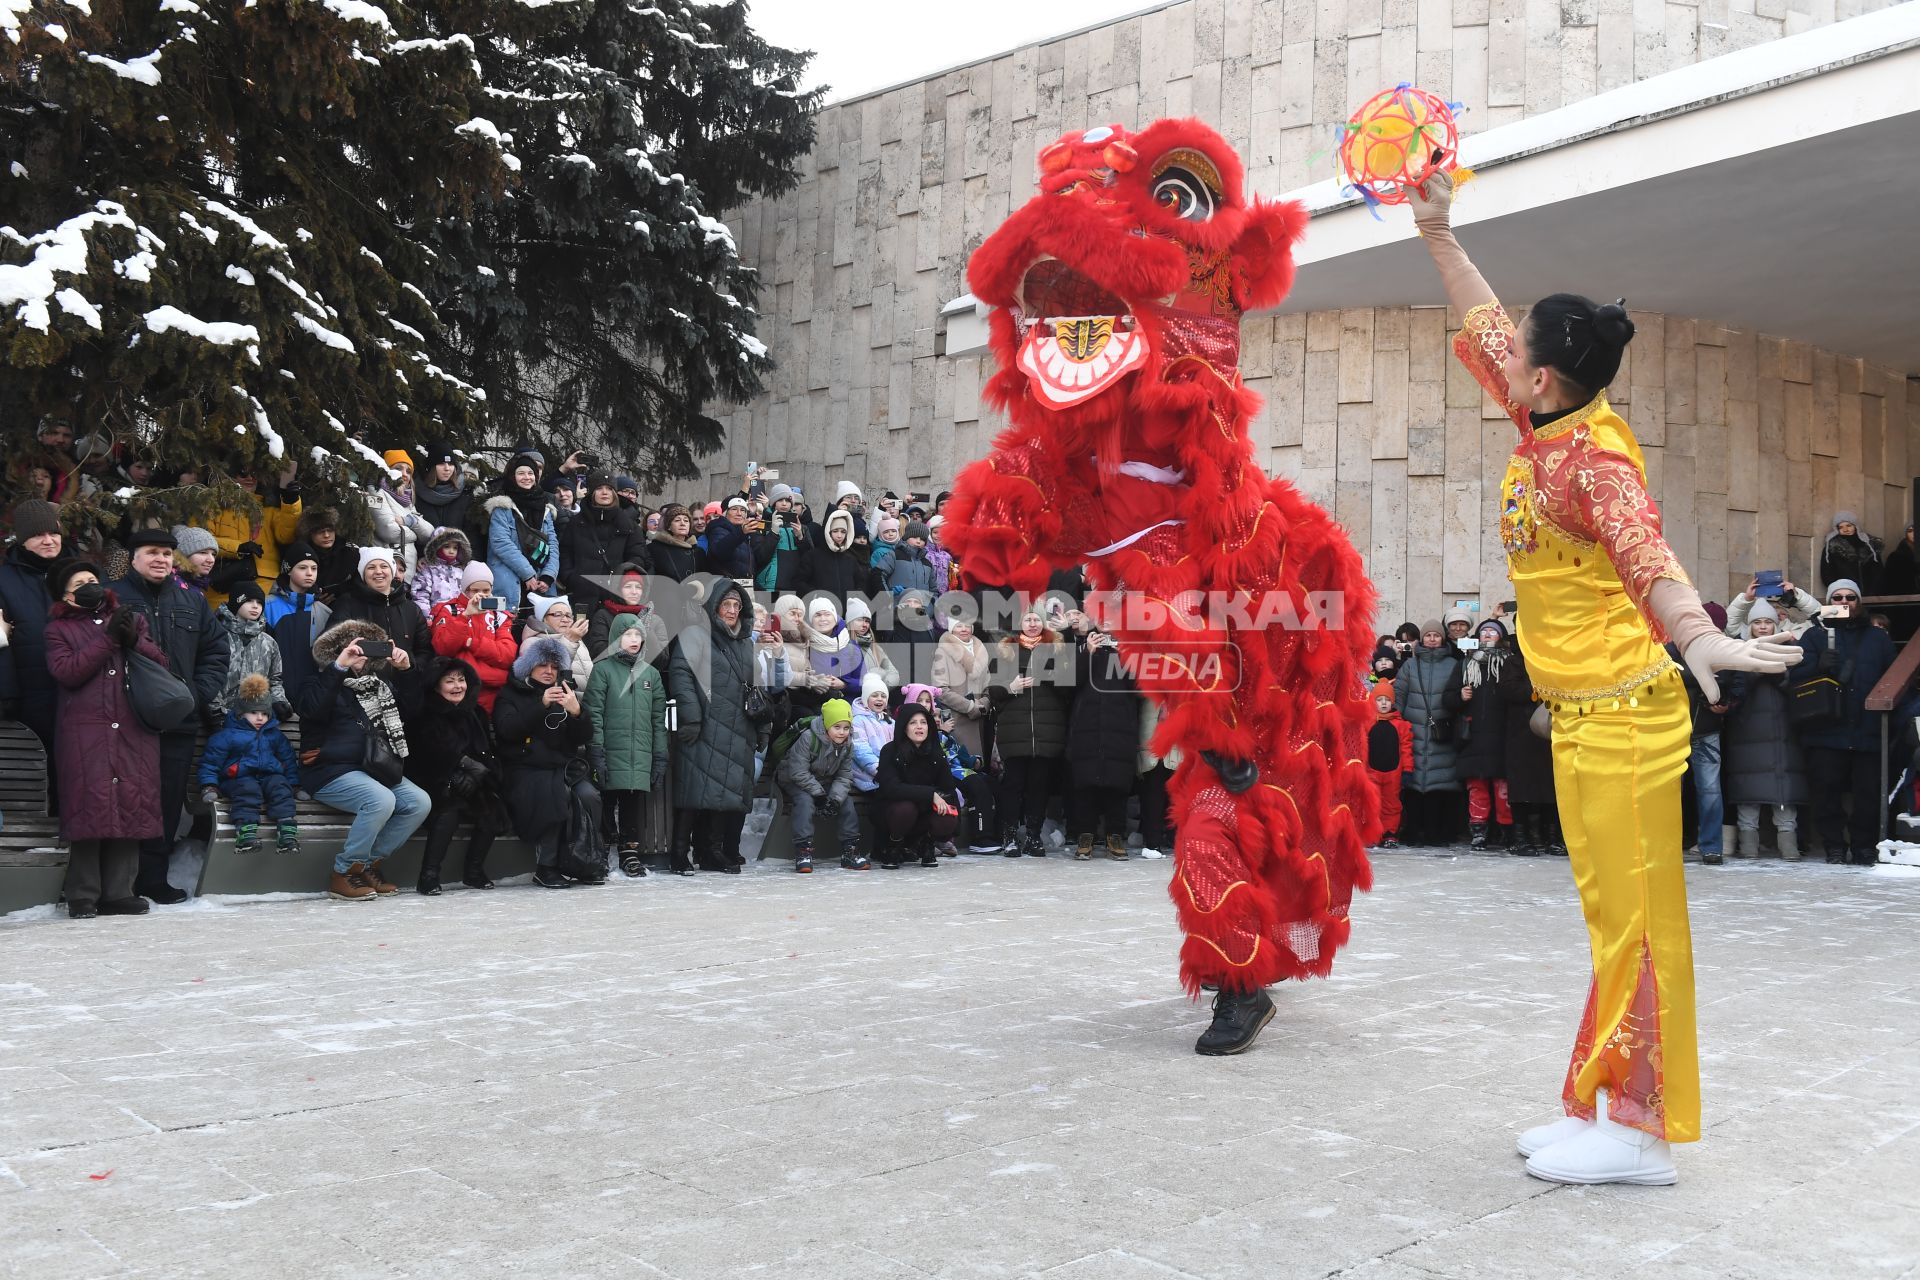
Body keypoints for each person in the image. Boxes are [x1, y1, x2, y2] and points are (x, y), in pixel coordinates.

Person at [1411, 169, 1798, 1186]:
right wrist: (1439, 232)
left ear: (1542, 382)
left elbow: (1644, 551)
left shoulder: (1592, 462)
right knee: (1606, 918)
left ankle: (1641, 1131)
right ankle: (1597, 1100)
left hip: (1628, 715)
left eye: (1518, 356)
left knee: (1640, 921)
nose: (1505, 357)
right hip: (1581, 715)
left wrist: (1693, 632)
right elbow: (1487, 320)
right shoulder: (1544, 417)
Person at [111, 527, 230, 904]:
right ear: (133, 557)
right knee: (125, 799)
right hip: (126, 720)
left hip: (178, 721)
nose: (160, 559)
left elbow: (216, 651)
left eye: (166, 553)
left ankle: (152, 879)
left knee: (165, 802)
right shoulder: (112, 597)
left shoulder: (191, 600)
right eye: (151, 552)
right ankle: (114, 884)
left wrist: (195, 695)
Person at [43, 560, 168, 917]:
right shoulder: (57, 629)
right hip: (85, 731)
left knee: (129, 803)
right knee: (90, 807)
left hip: (132, 727)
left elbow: (161, 665)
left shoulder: (132, 619)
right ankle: (82, 893)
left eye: (93, 579)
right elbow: (67, 672)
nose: (89, 586)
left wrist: (131, 640)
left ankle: (119, 891)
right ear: (65, 594)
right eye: (79, 582)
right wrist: (108, 638)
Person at [298, 620, 433, 901]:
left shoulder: (379, 686)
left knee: (419, 802)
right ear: (339, 650)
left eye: (365, 650)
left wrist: (406, 671)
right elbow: (311, 710)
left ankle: (368, 865)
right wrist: (339, 667)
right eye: (354, 649)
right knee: (380, 800)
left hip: (374, 768)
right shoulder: (319, 679)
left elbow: (414, 712)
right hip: (329, 770)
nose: (360, 656)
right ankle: (344, 872)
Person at [1790, 580, 1895, 865]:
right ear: (1830, 601)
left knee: (1868, 795)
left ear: (1859, 601)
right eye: (1837, 596)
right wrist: (1817, 665)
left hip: (1867, 729)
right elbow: (1794, 678)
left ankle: (1864, 846)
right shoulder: (1814, 636)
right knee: (1826, 792)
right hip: (1825, 729)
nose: (1844, 601)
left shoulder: (1877, 639)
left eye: (1850, 596)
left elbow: (1893, 679)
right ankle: (1834, 845)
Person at [493, 633, 603, 887]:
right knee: (554, 794)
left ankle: (585, 861)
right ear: (529, 666)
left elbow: (584, 736)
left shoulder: (565, 694)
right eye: (542, 664)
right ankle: (546, 867)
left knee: (590, 796)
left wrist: (577, 712)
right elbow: (508, 730)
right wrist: (540, 704)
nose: (549, 671)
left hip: (562, 767)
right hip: (525, 769)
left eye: (554, 666)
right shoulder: (512, 694)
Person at [666, 579, 757, 875]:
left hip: (735, 725)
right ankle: (679, 853)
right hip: (704, 724)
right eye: (726, 604)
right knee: (693, 792)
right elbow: (681, 673)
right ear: (714, 606)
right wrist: (691, 716)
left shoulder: (745, 642)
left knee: (723, 793)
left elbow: (753, 684)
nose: (732, 611)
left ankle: (711, 851)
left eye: (737, 605)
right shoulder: (695, 634)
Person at [402, 655, 505, 894]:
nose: (458, 686)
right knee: (448, 810)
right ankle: (428, 875)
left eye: (461, 680)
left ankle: (474, 871)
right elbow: (422, 754)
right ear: (436, 685)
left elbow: (485, 752)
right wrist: (454, 773)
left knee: (491, 808)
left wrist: (479, 774)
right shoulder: (424, 711)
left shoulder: (474, 712)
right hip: (433, 780)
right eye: (450, 681)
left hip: (471, 780)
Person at [584, 613, 670, 878]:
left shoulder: (652, 675)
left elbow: (658, 719)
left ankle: (629, 852)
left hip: (640, 753)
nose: (634, 640)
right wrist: (596, 750)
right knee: (606, 802)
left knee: (633, 803)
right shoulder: (603, 670)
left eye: (638, 635)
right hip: (611, 749)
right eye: (628, 635)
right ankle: (600, 850)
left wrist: (660, 755)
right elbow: (593, 714)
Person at [1722, 599, 1808, 861]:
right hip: (1747, 730)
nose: (1762, 627)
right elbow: (1733, 688)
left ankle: (1788, 844)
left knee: (1784, 791)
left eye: (1768, 622)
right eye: (1757, 622)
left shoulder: (1791, 650)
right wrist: (1753, 675)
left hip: (1782, 729)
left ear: (1776, 624)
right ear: (1750, 626)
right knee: (1748, 791)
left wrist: (1780, 678)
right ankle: (1748, 844)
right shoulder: (1738, 650)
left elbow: (1799, 687)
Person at [988, 610, 1072, 857]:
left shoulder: (1056, 649)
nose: (1033, 624)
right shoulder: (1006, 651)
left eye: (1037, 620)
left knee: (1039, 786)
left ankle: (1033, 837)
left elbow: (1069, 690)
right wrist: (1010, 687)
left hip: (1046, 729)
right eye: (1028, 620)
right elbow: (993, 691)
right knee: (1013, 785)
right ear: (1020, 625)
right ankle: (1010, 836)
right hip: (1015, 729)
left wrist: (1056, 675)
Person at [0, 499, 67, 806]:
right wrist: (7, 694)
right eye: (39, 534)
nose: (48, 540)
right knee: (32, 785)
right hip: (28, 698)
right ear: (23, 539)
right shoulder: (4, 580)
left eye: (53, 533)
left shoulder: (77, 575)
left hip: (76, 697)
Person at [196, 674, 301, 855]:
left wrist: (293, 783)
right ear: (241, 713)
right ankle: (246, 833)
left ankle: (286, 831)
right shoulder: (228, 735)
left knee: (280, 787)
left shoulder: (274, 736)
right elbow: (211, 761)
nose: (260, 718)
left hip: (268, 776)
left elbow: (288, 760)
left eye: (264, 714)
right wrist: (209, 785)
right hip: (238, 778)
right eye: (254, 713)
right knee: (248, 790)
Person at [1065, 626, 1139, 861]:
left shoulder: (1129, 647)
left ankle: (1115, 836)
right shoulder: (1083, 645)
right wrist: (1088, 651)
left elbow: (1138, 687)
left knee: (1117, 785)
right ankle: (1085, 836)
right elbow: (1068, 685)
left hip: (1120, 727)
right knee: (1085, 785)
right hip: (1087, 726)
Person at [1670, 602, 1733, 865]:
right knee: (1671, 791)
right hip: (1672, 729)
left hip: (1705, 729)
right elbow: (1670, 676)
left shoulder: (1722, 649)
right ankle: (1669, 844)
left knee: (1709, 790)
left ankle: (1711, 846)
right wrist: (1703, 676)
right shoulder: (1671, 648)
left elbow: (1727, 680)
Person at [1394, 620, 1464, 847]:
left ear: (1442, 639)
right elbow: (1399, 697)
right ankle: (1413, 831)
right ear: (1422, 639)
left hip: (1440, 734)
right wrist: (1400, 726)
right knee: (1413, 786)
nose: (1432, 639)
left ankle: (1437, 833)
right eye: (1428, 635)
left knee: (1439, 786)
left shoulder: (1454, 664)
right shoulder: (1410, 666)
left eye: (1436, 635)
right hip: (1413, 732)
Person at [774, 698, 862, 873]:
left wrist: (834, 800)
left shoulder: (847, 744)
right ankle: (803, 850)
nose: (842, 732)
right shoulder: (808, 738)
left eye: (846, 728)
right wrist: (820, 796)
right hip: (794, 779)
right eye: (837, 727)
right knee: (805, 801)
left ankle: (850, 849)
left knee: (846, 802)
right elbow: (798, 772)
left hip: (822, 780)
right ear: (826, 725)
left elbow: (844, 776)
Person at [1457, 618, 1521, 850]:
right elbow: (1448, 697)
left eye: (1493, 632)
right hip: (1474, 736)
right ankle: (1478, 832)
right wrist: (1459, 695)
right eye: (1484, 632)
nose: (1487, 635)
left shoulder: (1509, 663)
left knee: (1503, 788)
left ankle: (1507, 832)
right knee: (1477, 787)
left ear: (1501, 637)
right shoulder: (1467, 663)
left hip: (1503, 734)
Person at [874, 703, 960, 869]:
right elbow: (891, 788)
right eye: (913, 723)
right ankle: (894, 846)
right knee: (905, 808)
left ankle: (926, 843)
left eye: (923, 722)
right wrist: (931, 794)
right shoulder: (890, 750)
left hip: (923, 813)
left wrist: (955, 826)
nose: (919, 727)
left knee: (947, 814)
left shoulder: (936, 752)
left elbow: (949, 788)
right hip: (891, 812)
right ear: (904, 727)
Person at [428, 562, 517, 712]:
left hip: (494, 696)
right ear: (464, 589)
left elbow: (507, 656)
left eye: (486, 590)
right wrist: (466, 615)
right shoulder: (449, 610)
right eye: (475, 590)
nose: (480, 595)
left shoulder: (500, 615)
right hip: (458, 695)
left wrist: (470, 643)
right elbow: (443, 649)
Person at [484, 451, 560, 611]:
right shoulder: (502, 508)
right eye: (521, 473)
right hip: (508, 582)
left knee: (545, 628)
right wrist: (528, 574)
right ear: (513, 476)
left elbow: (553, 545)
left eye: (531, 473)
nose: (527, 477)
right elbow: (501, 543)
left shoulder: (546, 509)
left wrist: (548, 576)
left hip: (541, 582)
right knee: (504, 625)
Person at [326, 547, 432, 661]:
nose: (378, 571)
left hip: (403, 677)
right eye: (371, 567)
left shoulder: (412, 609)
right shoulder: (347, 603)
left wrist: (409, 669)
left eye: (384, 566)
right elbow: (328, 646)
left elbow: (424, 651)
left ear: (392, 571)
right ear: (363, 575)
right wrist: (351, 668)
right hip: (360, 678)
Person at [562, 472, 648, 606]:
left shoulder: (629, 526)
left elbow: (637, 558)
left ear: (614, 493)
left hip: (615, 597)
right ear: (592, 493)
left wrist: (621, 580)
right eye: (599, 488)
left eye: (609, 489)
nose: (604, 492)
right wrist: (571, 577)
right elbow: (565, 553)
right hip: (581, 594)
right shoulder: (576, 523)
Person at [213, 582, 291, 721]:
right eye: (248, 601)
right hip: (220, 718)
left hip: (256, 719)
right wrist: (215, 710)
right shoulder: (217, 636)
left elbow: (274, 680)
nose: (255, 606)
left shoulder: (269, 643)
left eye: (259, 603)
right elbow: (209, 676)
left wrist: (278, 700)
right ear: (236, 603)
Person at [368, 450, 431, 578]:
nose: (404, 474)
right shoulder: (375, 492)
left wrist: (410, 522)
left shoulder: (407, 500)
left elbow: (429, 534)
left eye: (408, 471)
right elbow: (389, 531)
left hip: (407, 575)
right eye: (398, 469)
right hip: (385, 573)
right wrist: (416, 534)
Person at [1366, 679, 1413, 849]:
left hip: (1394, 772)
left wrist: (1407, 770)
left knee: (1391, 805)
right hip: (1371, 771)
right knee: (1371, 805)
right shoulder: (1367, 722)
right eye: (1380, 700)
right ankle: (1372, 833)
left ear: (1392, 702)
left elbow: (1406, 749)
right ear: (1374, 701)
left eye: (1387, 700)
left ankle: (1390, 833)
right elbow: (1361, 746)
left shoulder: (1400, 724)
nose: (1384, 703)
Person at [523, 594, 595, 687]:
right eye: (558, 615)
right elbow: (549, 674)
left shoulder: (575, 638)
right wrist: (570, 641)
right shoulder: (531, 642)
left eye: (568, 616)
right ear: (544, 619)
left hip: (580, 700)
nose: (565, 619)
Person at [800, 509, 865, 606]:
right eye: (835, 531)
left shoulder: (850, 559)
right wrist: (815, 597)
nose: (839, 536)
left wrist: (854, 600)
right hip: (821, 613)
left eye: (843, 532)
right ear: (828, 532)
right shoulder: (812, 556)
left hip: (845, 614)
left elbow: (861, 583)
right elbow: (799, 582)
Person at [293, 507, 358, 602]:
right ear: (310, 533)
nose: (327, 535)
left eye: (330, 530)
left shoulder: (349, 552)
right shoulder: (300, 553)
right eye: (320, 532)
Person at [1724, 575, 1820, 638]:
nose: (1763, 627)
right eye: (1757, 622)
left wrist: (1798, 596)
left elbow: (1823, 618)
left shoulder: (1792, 634)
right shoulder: (1745, 636)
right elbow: (1729, 623)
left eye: (1781, 614)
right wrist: (1746, 598)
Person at [413, 440, 474, 536]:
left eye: (450, 464)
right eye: (441, 464)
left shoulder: (466, 494)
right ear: (431, 467)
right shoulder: (416, 493)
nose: (447, 468)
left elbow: (472, 535)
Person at [409, 528, 475, 615]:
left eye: (455, 548)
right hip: (436, 620)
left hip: (460, 619)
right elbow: (421, 596)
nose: (451, 551)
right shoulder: (428, 570)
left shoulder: (461, 572)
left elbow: (469, 595)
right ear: (437, 547)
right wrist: (426, 618)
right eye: (447, 546)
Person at [1819, 512, 1882, 596]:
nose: (1845, 529)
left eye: (1849, 525)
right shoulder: (1832, 549)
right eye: (1841, 527)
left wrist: (1874, 591)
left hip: (1871, 596)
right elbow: (1826, 574)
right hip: (1845, 596)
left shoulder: (1870, 546)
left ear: (1855, 526)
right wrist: (1840, 591)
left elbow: (1878, 572)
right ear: (1837, 529)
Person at [702, 496, 755, 579]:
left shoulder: (744, 532)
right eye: (734, 509)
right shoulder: (718, 528)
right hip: (726, 586)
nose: (739, 513)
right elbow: (719, 552)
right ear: (725, 513)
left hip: (743, 586)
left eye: (743, 510)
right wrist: (741, 533)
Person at [648, 505, 699, 582]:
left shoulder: (698, 552)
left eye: (686, 521)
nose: (682, 523)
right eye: (677, 520)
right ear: (669, 526)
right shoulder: (655, 549)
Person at [170, 525, 220, 598]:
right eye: (203, 552)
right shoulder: (174, 586)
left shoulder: (193, 584)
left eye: (213, 554)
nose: (211, 560)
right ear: (183, 555)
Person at [1880, 524, 1918, 597]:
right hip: (1904, 599)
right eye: (1910, 531)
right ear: (1906, 534)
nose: (1914, 534)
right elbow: (1891, 583)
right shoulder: (1896, 557)